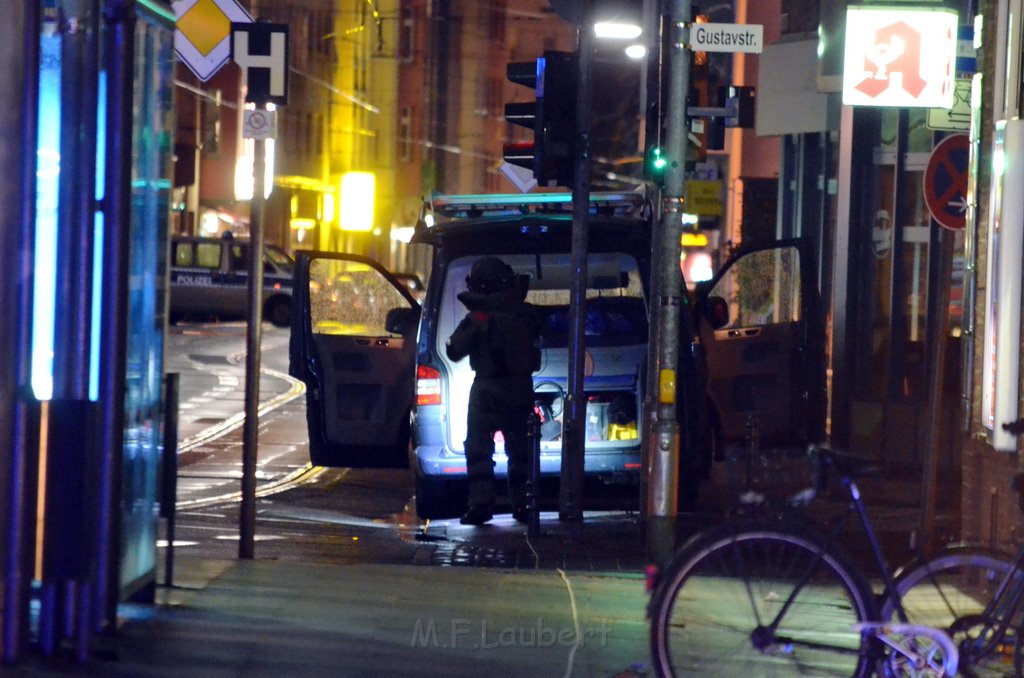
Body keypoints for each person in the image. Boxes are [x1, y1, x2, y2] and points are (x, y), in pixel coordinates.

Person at [446, 256, 541, 526]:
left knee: (479, 449)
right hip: (520, 388)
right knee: (521, 448)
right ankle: (523, 504)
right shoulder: (524, 314)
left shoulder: (478, 318)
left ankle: (480, 505)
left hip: (487, 389)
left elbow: (454, 351)